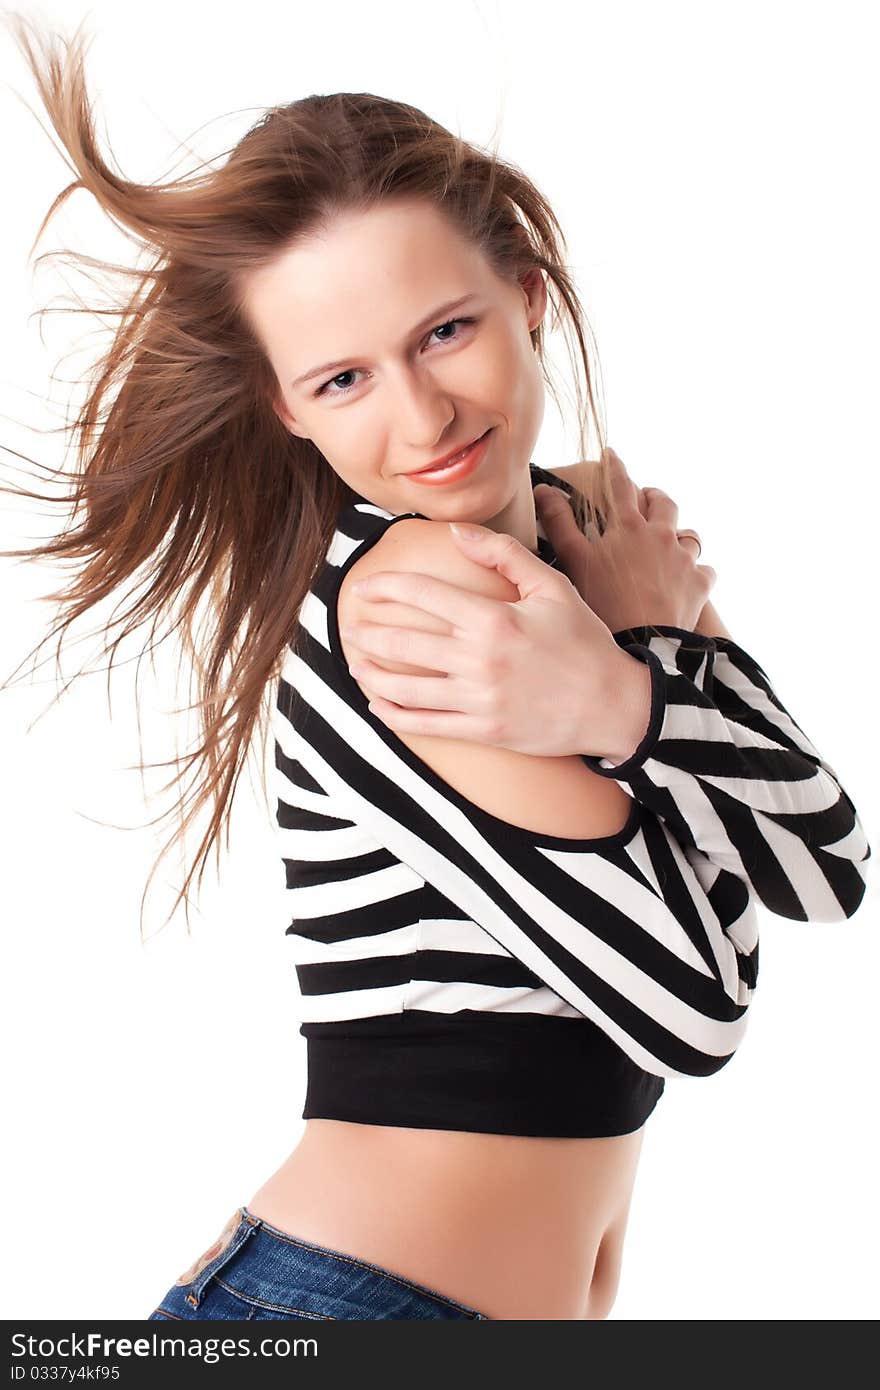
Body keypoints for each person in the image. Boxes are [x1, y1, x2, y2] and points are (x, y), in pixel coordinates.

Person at [2, 17, 870, 1322]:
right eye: (344, 377)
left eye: (446, 330)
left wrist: (633, 687)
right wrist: (643, 677)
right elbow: (701, 1004)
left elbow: (825, 865)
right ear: (289, 407)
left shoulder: (586, 523)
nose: (422, 418)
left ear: (525, 292)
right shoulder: (421, 600)